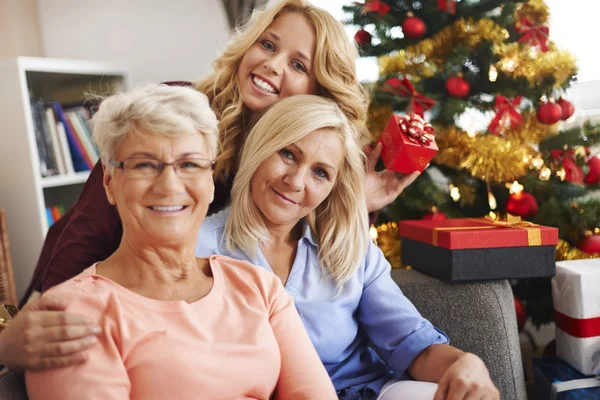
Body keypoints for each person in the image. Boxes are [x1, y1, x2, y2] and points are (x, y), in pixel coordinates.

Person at [0, 0, 417, 376]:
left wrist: (359, 202)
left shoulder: (305, 160)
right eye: (268, 46)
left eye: (298, 65)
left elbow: (316, 264)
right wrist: (53, 312)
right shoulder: (183, 111)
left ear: (319, 93)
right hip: (91, 275)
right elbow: (90, 227)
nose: (272, 65)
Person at [25, 84, 337, 400]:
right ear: (109, 182)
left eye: (189, 164)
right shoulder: (71, 313)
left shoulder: (259, 288)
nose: (170, 186)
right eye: (144, 164)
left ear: (211, 183)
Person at [195, 95, 500, 400]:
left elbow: (414, 347)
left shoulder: (350, 248)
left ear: (332, 188)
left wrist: (466, 363)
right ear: (259, 148)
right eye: (287, 154)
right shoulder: (199, 247)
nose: (296, 181)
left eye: (320, 172)